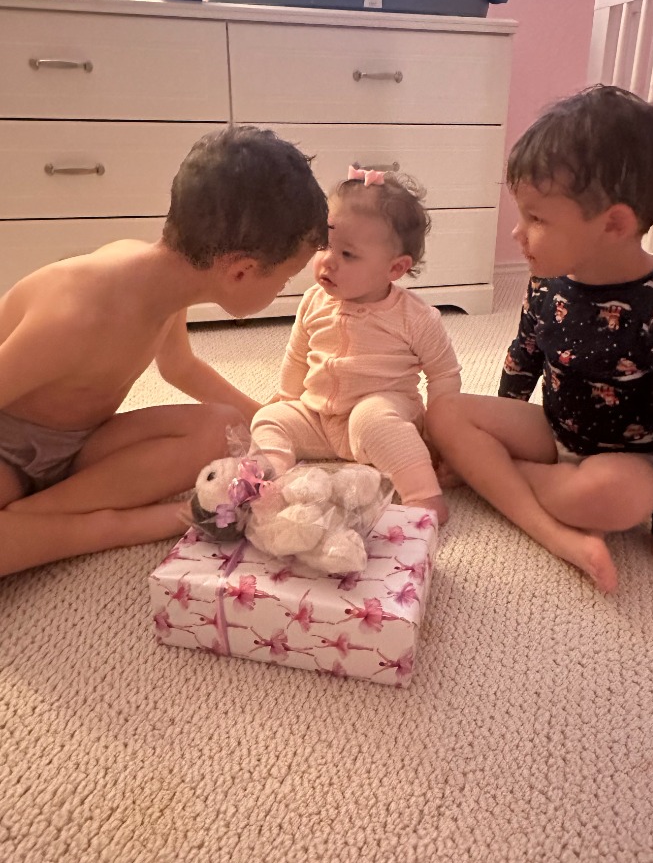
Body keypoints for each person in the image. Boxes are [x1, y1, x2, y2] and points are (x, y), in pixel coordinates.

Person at [427, 85, 653, 594]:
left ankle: (494, 479)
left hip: (626, 459)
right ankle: (551, 526)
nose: (517, 234)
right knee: (443, 413)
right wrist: (503, 424)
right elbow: (524, 356)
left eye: (536, 219)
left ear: (614, 223)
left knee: (626, 501)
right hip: (555, 429)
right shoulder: (547, 276)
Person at [0, 125, 328, 577]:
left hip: (81, 442)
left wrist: (284, 430)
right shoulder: (75, 311)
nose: (286, 289)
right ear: (242, 271)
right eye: (286, 279)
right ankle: (104, 526)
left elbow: (180, 367)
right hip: (6, 445)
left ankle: (35, 514)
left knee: (225, 427)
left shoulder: (164, 288)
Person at [250, 166, 461, 523]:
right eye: (324, 245)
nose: (327, 261)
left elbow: (444, 375)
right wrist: (287, 397)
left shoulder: (416, 317)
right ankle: (266, 482)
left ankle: (424, 499)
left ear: (395, 269)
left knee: (373, 420)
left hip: (382, 411)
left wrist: (439, 434)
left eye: (348, 254)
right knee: (269, 417)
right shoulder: (313, 300)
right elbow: (298, 354)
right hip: (319, 416)